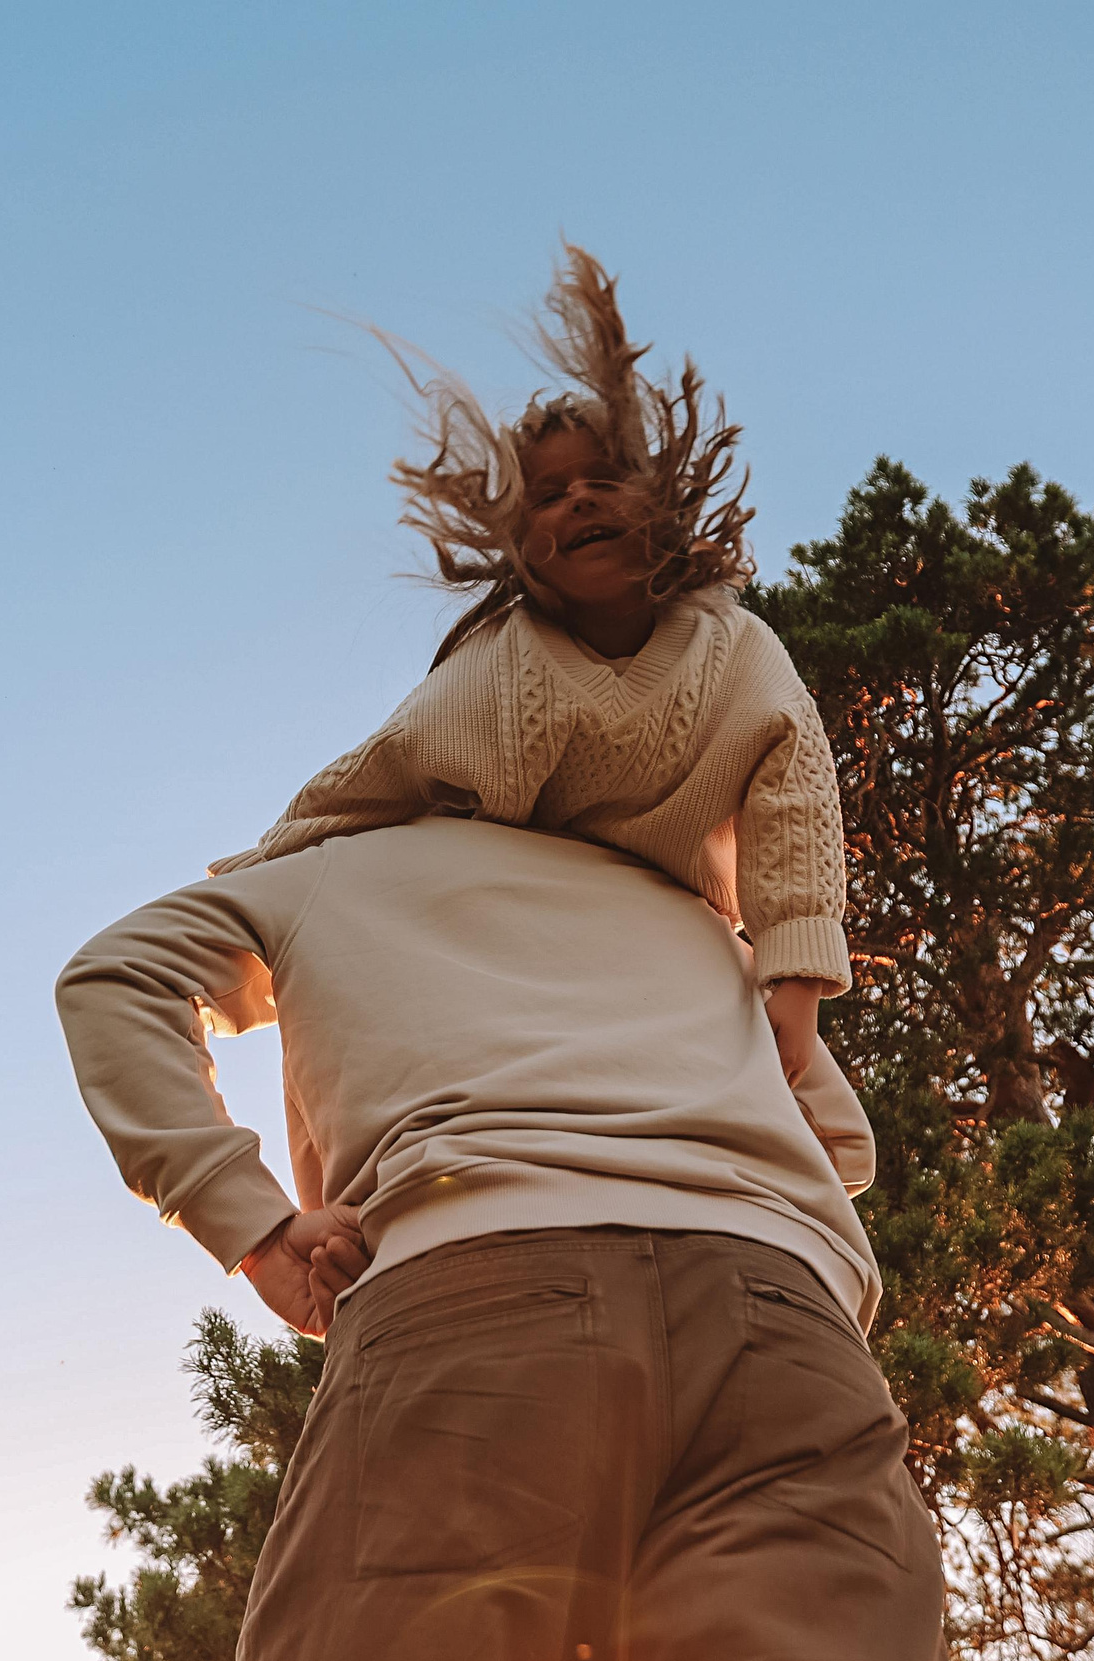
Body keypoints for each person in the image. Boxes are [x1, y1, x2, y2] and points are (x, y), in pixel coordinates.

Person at [56, 816, 954, 1661]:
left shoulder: (331, 868)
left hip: (472, 1300)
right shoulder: (688, 899)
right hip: (785, 1328)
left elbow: (118, 977)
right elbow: (838, 1140)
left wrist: (252, 1225)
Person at [209, 246, 850, 1083]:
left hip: (669, 922)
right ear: (518, 549)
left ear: (660, 503)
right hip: (508, 916)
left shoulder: (737, 651)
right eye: (549, 495)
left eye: (605, 479)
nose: (580, 497)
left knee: (819, 1110)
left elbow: (793, 801)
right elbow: (380, 774)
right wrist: (265, 871)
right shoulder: (498, 671)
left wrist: (794, 981)